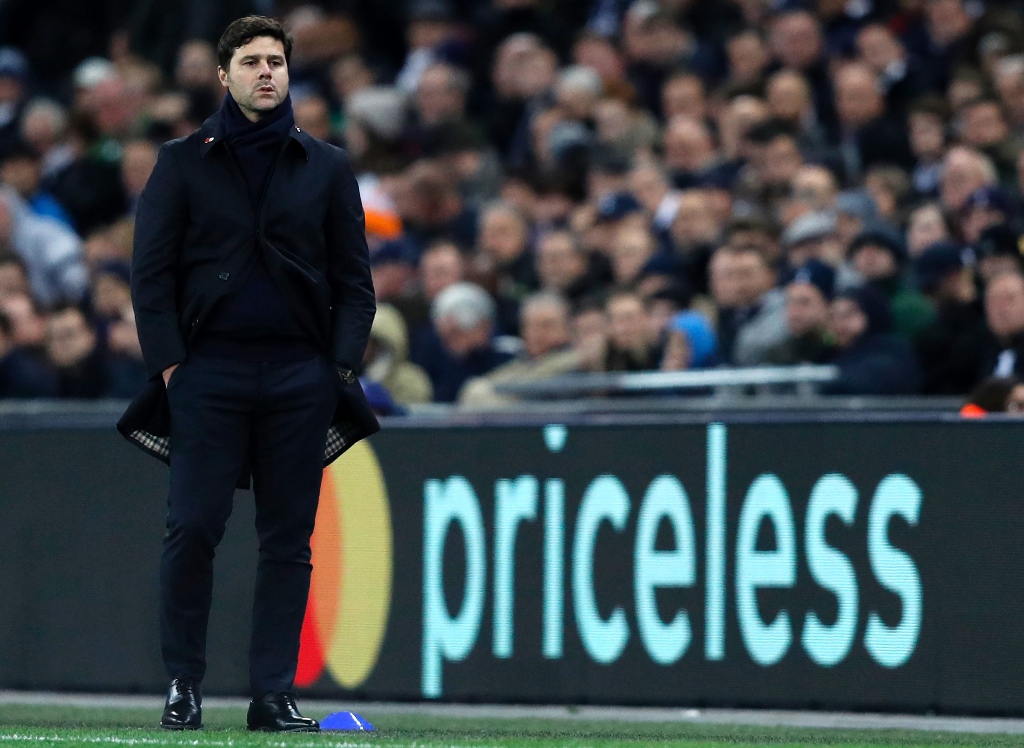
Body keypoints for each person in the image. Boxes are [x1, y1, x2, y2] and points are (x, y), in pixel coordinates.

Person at [116, 17, 377, 733]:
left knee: (289, 538)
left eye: (278, 62)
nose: (268, 73)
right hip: (209, 371)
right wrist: (171, 364)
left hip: (300, 374)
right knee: (193, 527)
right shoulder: (181, 160)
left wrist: (339, 367)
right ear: (224, 75)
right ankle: (184, 683)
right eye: (253, 62)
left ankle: (272, 694)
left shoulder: (325, 165)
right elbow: (151, 275)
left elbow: (356, 281)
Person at [821, 285, 921, 395]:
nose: (838, 323)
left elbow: (871, 381)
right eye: (832, 316)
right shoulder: (829, 353)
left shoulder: (892, 349)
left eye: (848, 314)